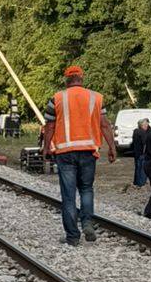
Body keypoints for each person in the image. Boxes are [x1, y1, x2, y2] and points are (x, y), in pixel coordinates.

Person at [42, 65, 116, 245]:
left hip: (65, 153)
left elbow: (50, 125)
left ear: (66, 79)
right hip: (88, 151)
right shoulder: (96, 98)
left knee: (68, 195)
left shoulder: (57, 98)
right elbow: (104, 124)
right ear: (81, 78)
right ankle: (87, 223)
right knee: (86, 189)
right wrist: (112, 147)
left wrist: (46, 147)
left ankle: (73, 237)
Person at [130, 121, 149, 188]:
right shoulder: (143, 132)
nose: (147, 126)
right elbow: (145, 144)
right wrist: (145, 153)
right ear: (142, 125)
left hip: (136, 153)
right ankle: (141, 183)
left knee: (137, 168)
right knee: (142, 169)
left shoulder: (135, 131)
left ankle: (136, 182)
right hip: (141, 153)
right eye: (146, 125)